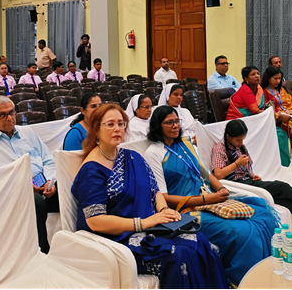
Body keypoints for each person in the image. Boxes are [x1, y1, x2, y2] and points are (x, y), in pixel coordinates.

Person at [71, 104, 227, 289]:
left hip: (150, 226)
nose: (117, 129)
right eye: (110, 124)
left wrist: (164, 210)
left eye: (121, 124)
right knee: (179, 253)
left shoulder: (132, 157)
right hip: (117, 239)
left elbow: (154, 190)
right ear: (96, 129)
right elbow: (95, 221)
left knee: (198, 239)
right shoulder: (91, 170)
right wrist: (143, 223)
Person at [145, 106, 279, 287]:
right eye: (169, 122)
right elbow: (164, 197)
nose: (175, 126)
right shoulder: (154, 153)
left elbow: (206, 174)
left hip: (208, 199)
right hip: (185, 210)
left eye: (177, 121)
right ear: (157, 125)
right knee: (238, 231)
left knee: (264, 214)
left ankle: (268, 273)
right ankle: (242, 282)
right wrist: (206, 199)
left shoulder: (186, 145)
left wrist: (221, 189)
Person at [211, 119, 292, 245]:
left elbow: (245, 168)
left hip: (249, 181)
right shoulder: (219, 149)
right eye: (238, 140)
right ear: (228, 137)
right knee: (283, 187)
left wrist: (252, 175)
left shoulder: (240, 147)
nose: (241, 143)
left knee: (288, 202)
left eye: (242, 140)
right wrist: (237, 163)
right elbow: (218, 174)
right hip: (238, 186)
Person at [0, 96, 58, 254]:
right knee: (35, 202)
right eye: (3, 115)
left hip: (43, 185)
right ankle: (42, 253)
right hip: (10, 193)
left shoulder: (28, 133)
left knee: (74, 188)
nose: (9, 118)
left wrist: (50, 181)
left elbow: (48, 160)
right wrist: (21, 185)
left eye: (11, 113)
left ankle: (81, 243)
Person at [227, 66, 290, 166]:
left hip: (255, 120)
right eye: (253, 74)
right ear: (246, 79)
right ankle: (274, 165)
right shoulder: (245, 90)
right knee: (277, 134)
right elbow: (256, 111)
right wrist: (278, 116)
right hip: (240, 122)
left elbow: (264, 107)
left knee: (281, 133)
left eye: (257, 73)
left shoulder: (259, 88)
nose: (257, 76)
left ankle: (282, 164)